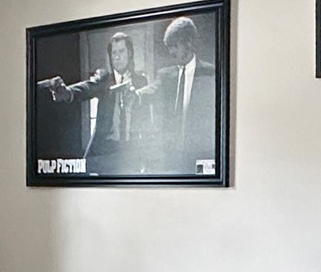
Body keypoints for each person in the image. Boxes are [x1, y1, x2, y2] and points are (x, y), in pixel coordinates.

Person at [40, 30, 147, 174]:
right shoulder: (103, 78)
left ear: (130, 53)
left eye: (121, 51)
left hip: (130, 151)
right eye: (113, 53)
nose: (117, 57)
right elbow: (86, 88)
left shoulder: (141, 81)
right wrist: (67, 93)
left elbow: (145, 118)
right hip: (105, 151)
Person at [141, 15, 217, 172]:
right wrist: (135, 94)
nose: (171, 52)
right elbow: (152, 89)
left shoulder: (211, 73)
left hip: (200, 155)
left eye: (175, 46)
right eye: (169, 47)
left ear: (188, 43)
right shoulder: (165, 75)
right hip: (170, 157)